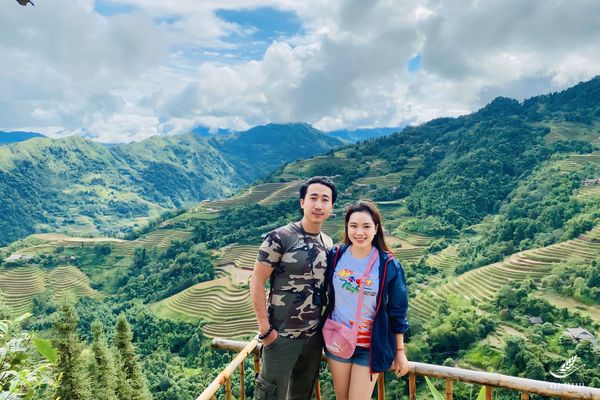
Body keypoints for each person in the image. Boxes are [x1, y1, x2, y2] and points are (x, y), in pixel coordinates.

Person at [250, 176, 337, 400]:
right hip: (281, 337)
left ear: (331, 207)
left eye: (325, 200)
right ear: (302, 202)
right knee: (269, 395)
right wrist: (266, 331)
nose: (318, 205)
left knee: (302, 394)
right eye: (313, 198)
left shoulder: (327, 242)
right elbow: (257, 281)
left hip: (314, 338)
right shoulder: (280, 238)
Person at [324, 200, 409, 400]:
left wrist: (400, 351)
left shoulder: (388, 265)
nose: (359, 232)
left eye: (366, 226)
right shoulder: (336, 256)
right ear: (347, 227)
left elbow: (398, 310)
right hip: (338, 339)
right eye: (353, 226)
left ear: (376, 228)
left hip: (370, 346)